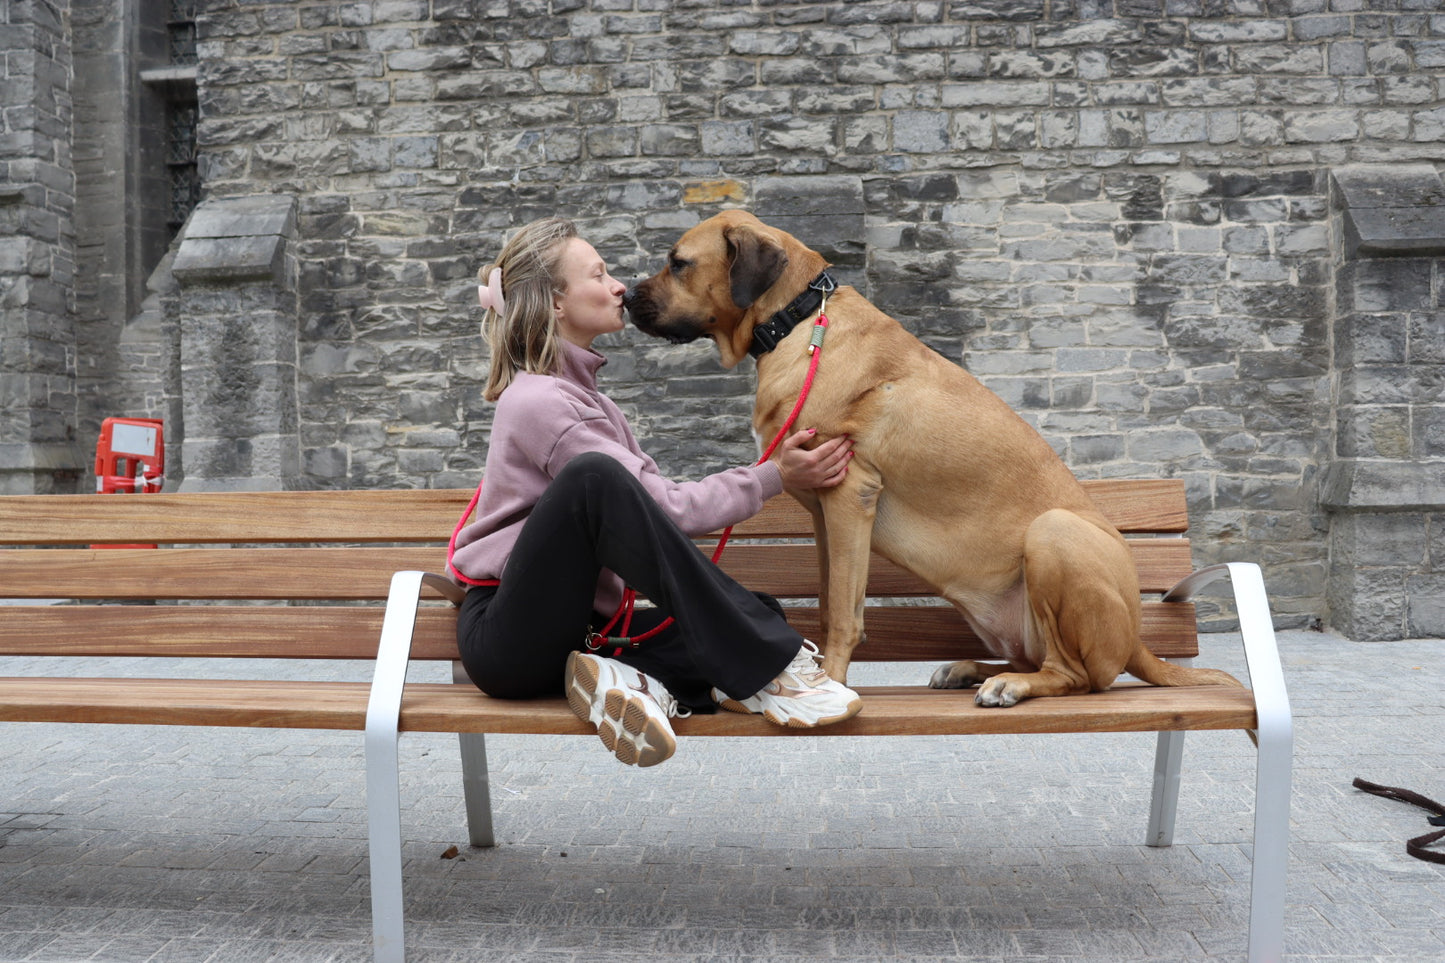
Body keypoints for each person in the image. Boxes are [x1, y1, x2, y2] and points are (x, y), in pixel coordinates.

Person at [448, 216, 861, 768]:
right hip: (509, 637)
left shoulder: (586, 401)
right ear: (553, 303)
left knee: (761, 614)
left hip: (578, 633)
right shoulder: (539, 402)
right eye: (598, 274)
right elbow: (665, 507)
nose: (619, 285)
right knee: (595, 478)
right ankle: (777, 673)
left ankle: (628, 684)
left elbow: (652, 506)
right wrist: (773, 476)